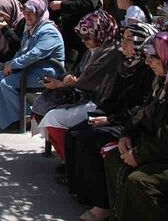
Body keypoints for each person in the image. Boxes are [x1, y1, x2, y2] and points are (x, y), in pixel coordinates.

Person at [64, 22, 157, 219]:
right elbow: (114, 98)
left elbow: (140, 109)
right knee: (75, 132)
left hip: (129, 123)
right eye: (123, 38)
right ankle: (83, 192)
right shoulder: (125, 65)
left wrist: (110, 120)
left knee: (91, 140)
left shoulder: (148, 72)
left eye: (129, 40)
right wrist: (101, 114)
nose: (123, 44)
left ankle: (103, 205)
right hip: (117, 118)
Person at [32, 9, 123, 159]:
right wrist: (68, 77)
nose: (83, 41)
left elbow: (89, 81)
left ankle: (68, 159)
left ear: (100, 34)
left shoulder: (110, 53)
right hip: (82, 95)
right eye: (82, 36)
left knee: (54, 117)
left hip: (99, 102)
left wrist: (64, 84)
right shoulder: (93, 50)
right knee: (43, 106)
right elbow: (77, 70)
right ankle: (68, 158)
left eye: (87, 37)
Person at [103, 31, 168, 221]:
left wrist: (138, 155)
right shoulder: (161, 82)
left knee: (139, 181)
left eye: (153, 57)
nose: (148, 62)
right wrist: (127, 135)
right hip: (156, 149)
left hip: (162, 152)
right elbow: (144, 113)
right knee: (114, 157)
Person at [0, 0, 65, 130]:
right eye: (25, 11)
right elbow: (22, 50)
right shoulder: (32, 28)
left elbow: (34, 54)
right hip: (32, 67)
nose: (27, 15)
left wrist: (14, 65)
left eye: (31, 12)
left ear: (39, 13)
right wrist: (10, 64)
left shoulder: (48, 31)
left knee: (7, 84)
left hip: (47, 70)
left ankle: (22, 118)